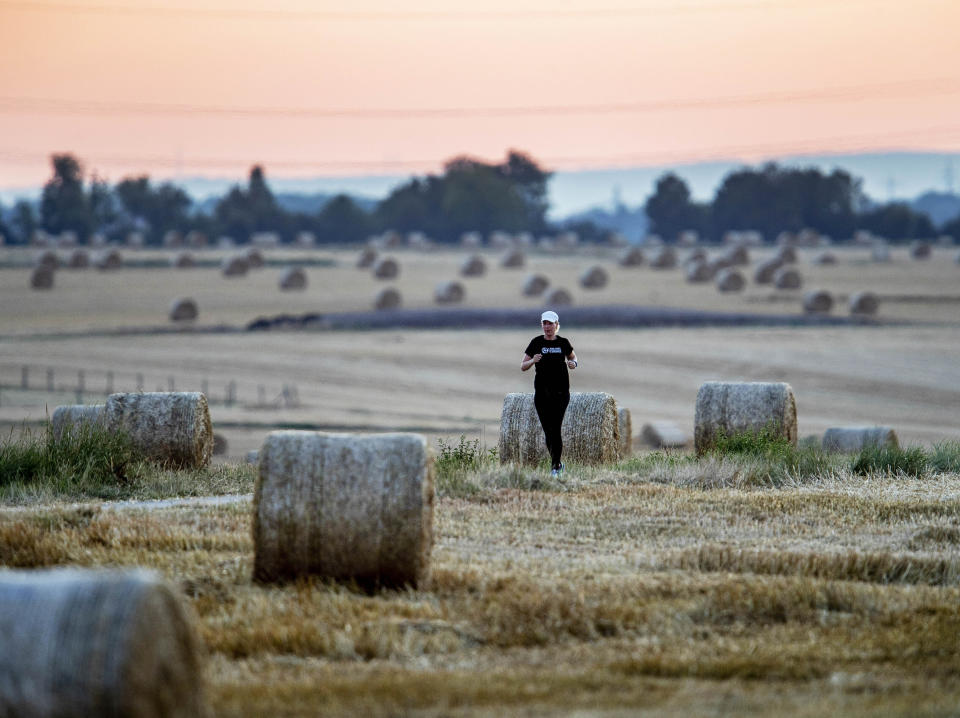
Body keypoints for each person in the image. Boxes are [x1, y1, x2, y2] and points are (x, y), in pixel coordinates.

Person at [520, 310, 578, 477]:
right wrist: (533, 361)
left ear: (556, 325)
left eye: (550, 323)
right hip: (542, 394)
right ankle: (558, 463)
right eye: (544, 323)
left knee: (555, 429)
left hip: (560, 393)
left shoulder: (563, 343)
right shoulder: (536, 343)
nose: (547, 327)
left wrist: (573, 364)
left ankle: (554, 467)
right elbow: (523, 366)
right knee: (548, 431)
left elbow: (574, 358)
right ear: (542, 325)